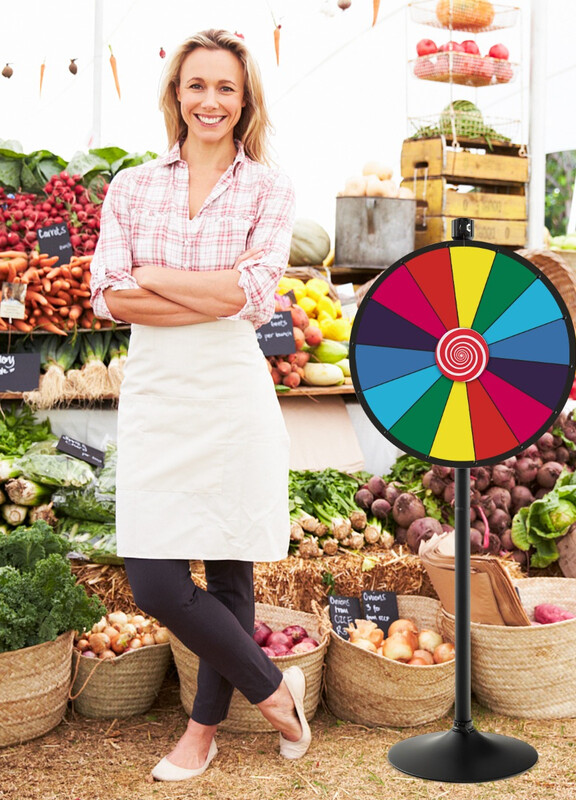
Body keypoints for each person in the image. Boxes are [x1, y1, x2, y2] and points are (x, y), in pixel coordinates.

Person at [89, 29, 310, 782]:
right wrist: (207, 292)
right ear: (176, 94)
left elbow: (252, 296)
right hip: (158, 393)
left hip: (230, 393)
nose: (210, 101)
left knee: (229, 573)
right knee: (155, 580)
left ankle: (201, 733)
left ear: (244, 101)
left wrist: (153, 275)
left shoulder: (269, 188)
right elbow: (109, 296)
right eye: (197, 85)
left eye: (225, 88)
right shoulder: (131, 186)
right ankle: (275, 692)